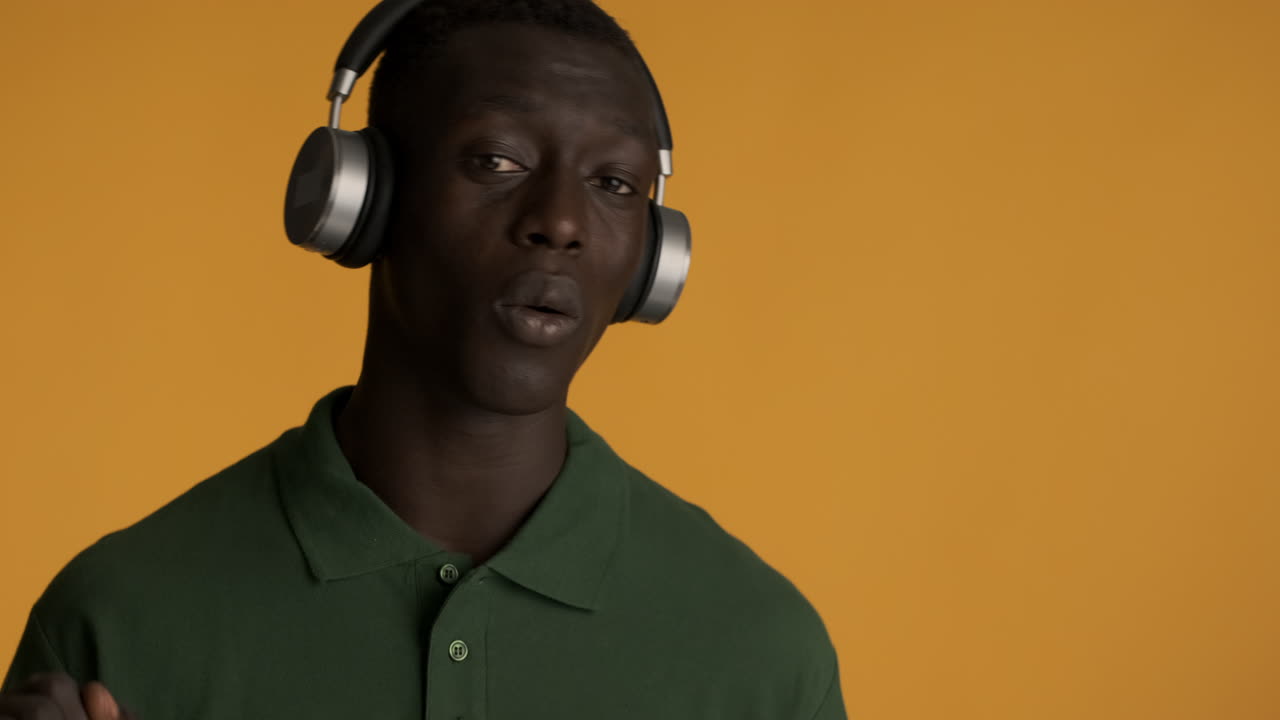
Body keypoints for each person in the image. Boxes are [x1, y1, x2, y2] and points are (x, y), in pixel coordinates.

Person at [0, 0, 845, 717]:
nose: (561, 220)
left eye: (615, 184)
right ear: (362, 198)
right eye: (497, 160)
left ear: (650, 258)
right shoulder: (120, 619)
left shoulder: (761, 655)